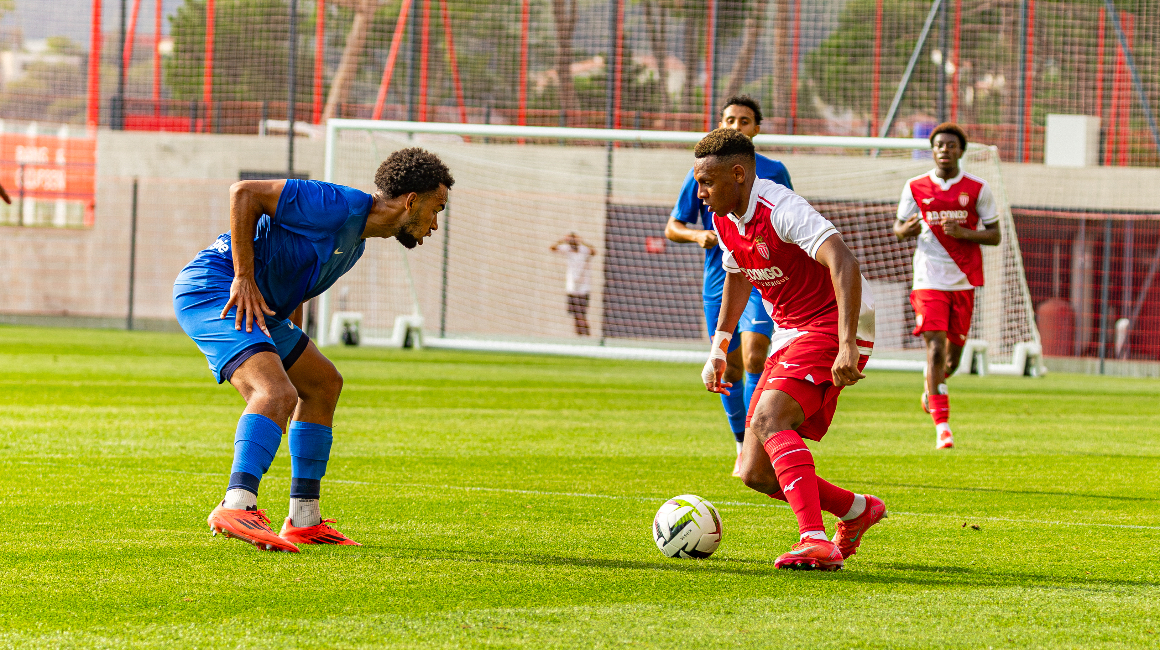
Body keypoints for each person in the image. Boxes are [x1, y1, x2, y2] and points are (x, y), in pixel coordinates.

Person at [173, 148, 453, 552]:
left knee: (322, 383)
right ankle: (237, 505)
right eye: (436, 209)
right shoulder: (339, 204)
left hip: (265, 306)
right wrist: (243, 277)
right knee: (275, 393)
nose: (435, 224)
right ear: (411, 201)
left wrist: (295, 352)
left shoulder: (354, 243)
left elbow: (295, 289)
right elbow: (245, 192)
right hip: (216, 289)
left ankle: (304, 520)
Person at [696, 128, 885, 571]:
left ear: (738, 174)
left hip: (833, 322)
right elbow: (737, 274)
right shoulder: (724, 219)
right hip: (791, 331)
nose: (700, 192)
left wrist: (846, 344)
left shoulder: (781, 208)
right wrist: (719, 347)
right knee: (755, 472)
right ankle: (858, 510)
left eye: (706, 182)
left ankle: (814, 540)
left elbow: (844, 260)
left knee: (769, 419)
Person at [666, 95, 793, 476]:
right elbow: (673, 226)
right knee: (731, 368)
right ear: (720, 124)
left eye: (744, 120)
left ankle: (757, 442)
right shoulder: (703, 171)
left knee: (756, 356)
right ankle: (740, 442)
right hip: (719, 278)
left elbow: (789, 217)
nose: (736, 125)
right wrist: (698, 236)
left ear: (757, 129)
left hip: (760, 274)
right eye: (730, 119)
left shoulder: (773, 171)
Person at [893, 123, 1000, 450]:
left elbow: (995, 235)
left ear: (961, 151)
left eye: (951, 145)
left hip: (963, 280)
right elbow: (899, 228)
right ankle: (943, 428)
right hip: (928, 279)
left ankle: (932, 384)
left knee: (951, 361)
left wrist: (964, 233)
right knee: (935, 349)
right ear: (932, 150)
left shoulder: (977, 188)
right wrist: (906, 231)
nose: (944, 150)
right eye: (939, 145)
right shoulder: (915, 186)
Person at [550, 232, 596, 336]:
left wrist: (582, 241)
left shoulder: (584, 250)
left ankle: (587, 335)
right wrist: (562, 240)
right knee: (575, 315)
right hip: (572, 288)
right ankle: (579, 336)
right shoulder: (567, 249)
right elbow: (552, 248)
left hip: (584, 288)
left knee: (582, 314)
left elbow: (593, 251)